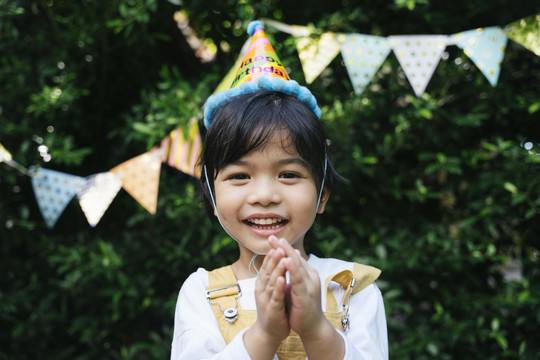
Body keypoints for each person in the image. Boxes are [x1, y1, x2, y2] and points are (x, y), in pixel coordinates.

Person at [171, 20, 388, 360]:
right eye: (240, 176)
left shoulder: (348, 286)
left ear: (322, 195)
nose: (265, 194)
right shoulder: (202, 293)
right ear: (212, 197)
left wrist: (316, 329)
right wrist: (264, 334)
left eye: (288, 174)